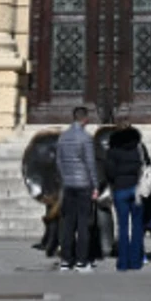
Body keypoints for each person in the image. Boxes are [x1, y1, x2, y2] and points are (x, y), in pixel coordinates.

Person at [54, 105, 101, 271]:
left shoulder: (63, 137)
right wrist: (95, 186)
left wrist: (65, 178)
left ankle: (66, 260)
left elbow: (58, 161)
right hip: (83, 185)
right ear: (85, 120)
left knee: (68, 223)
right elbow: (90, 164)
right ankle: (82, 260)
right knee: (83, 224)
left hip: (68, 185)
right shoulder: (86, 138)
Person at [105, 123, 150, 272]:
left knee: (122, 227)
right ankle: (136, 261)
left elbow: (109, 172)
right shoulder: (139, 147)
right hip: (137, 189)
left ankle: (123, 262)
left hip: (120, 189)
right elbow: (148, 164)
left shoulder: (112, 150)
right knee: (137, 226)